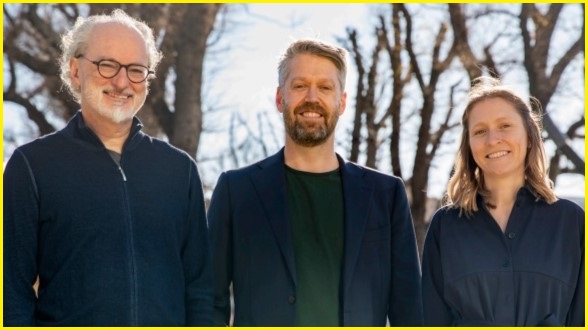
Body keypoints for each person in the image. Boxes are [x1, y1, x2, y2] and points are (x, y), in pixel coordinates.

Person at [3, 9, 213, 326]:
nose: (121, 81)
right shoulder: (31, 166)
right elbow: (9, 294)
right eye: (107, 65)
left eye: (135, 70)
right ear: (75, 71)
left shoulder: (179, 171)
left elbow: (201, 294)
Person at [207, 38, 423, 326]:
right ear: (280, 98)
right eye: (299, 86)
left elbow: (409, 309)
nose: (312, 98)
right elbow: (209, 301)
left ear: (341, 102)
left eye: (325, 87)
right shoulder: (237, 191)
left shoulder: (386, 194)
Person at [421, 77, 584, 326]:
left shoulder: (572, 222)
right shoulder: (445, 226)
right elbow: (431, 318)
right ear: (469, 145)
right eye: (480, 131)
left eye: (505, 125)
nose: (492, 139)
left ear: (530, 137)